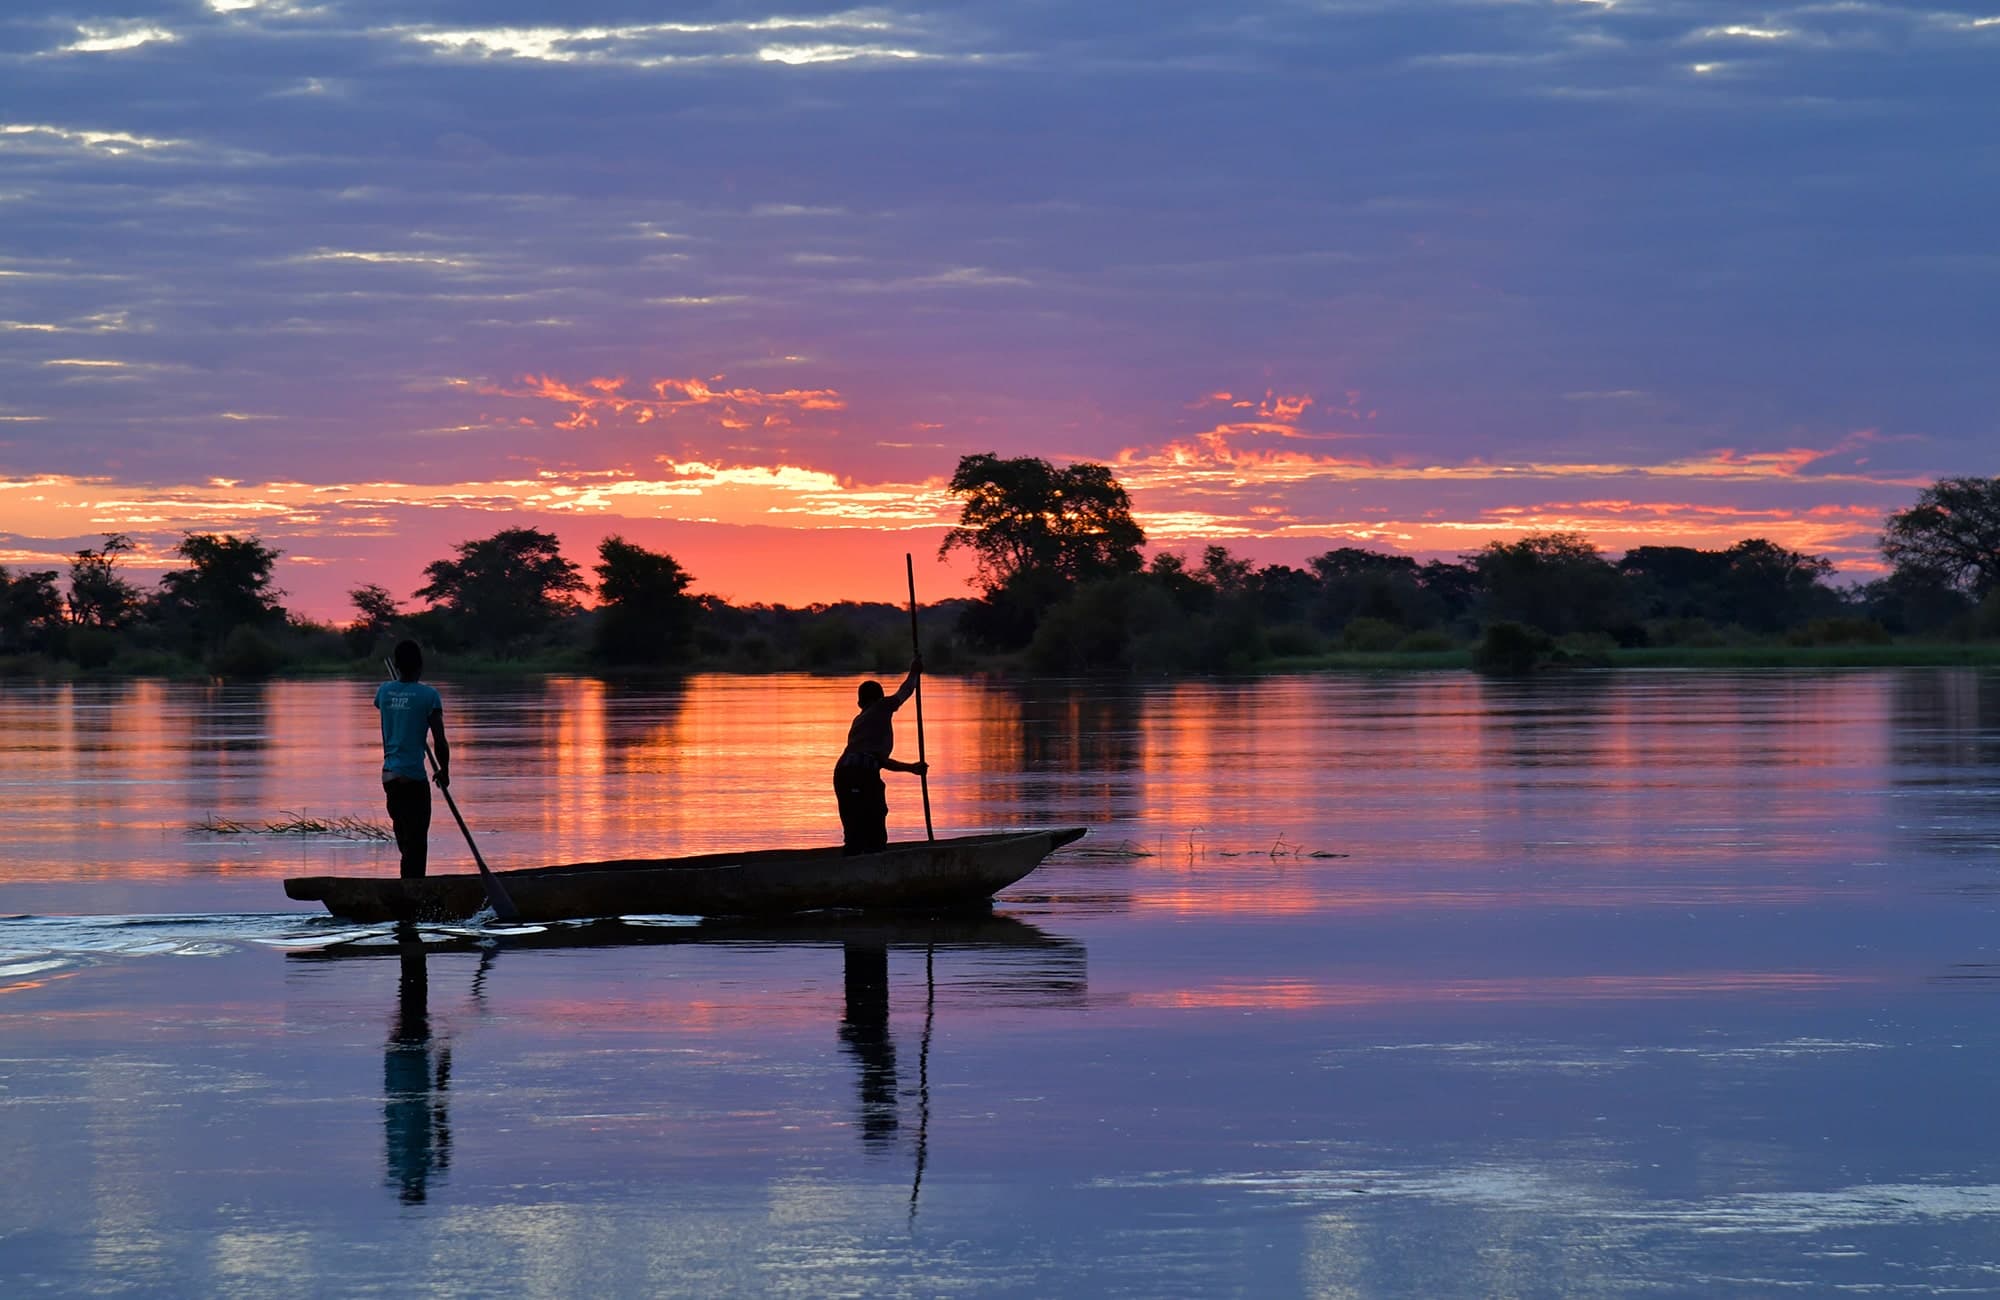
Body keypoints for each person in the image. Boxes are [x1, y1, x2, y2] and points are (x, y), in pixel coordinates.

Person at [833, 656, 927, 854]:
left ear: (859, 702)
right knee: (874, 817)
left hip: (842, 772)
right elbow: (905, 691)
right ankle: (874, 858)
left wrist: (910, 768)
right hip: (860, 773)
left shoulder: (859, 721)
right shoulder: (881, 707)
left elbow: (879, 761)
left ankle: (855, 854)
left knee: (854, 823)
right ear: (879, 698)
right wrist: (914, 672)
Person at [375, 639, 449, 879]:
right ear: (420, 665)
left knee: (406, 844)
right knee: (416, 846)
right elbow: (439, 739)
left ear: (397, 666)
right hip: (413, 778)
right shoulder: (429, 696)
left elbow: (388, 708)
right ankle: (413, 898)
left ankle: (407, 893)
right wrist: (444, 770)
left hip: (390, 777)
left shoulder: (384, 691)